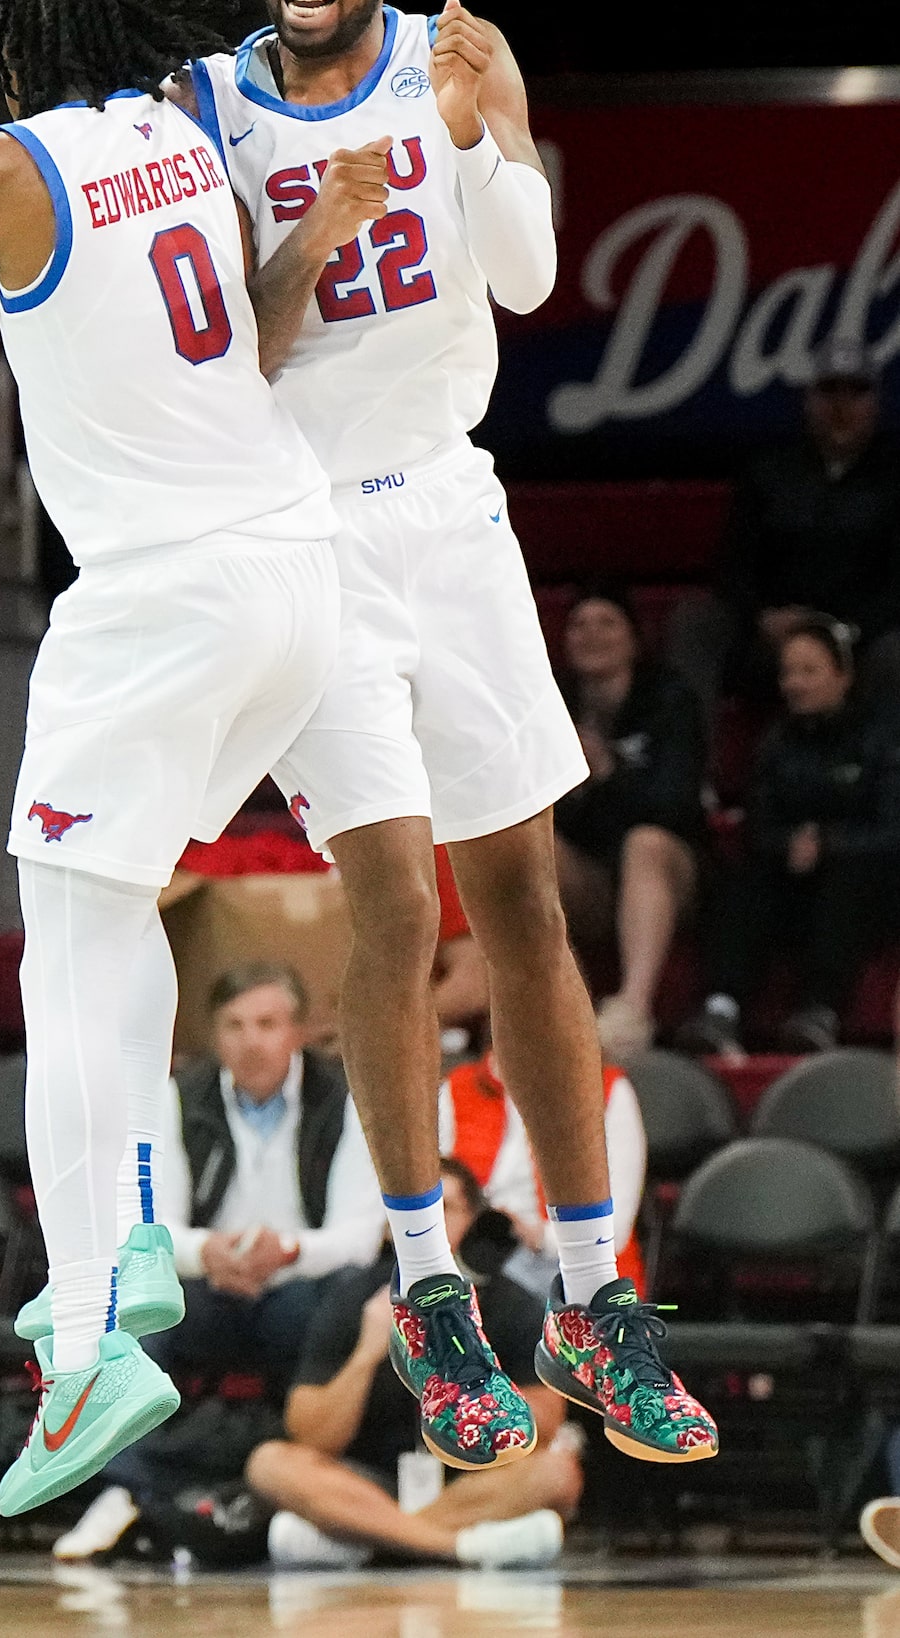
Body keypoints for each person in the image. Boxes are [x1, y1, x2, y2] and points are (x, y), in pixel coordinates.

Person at [181, 0, 717, 1467]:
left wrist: (506, 139)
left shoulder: (449, 59)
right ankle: (424, 1291)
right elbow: (228, 357)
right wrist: (315, 230)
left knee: (527, 908)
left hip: (455, 511)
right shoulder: (207, 108)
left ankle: (591, 1289)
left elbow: (534, 274)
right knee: (394, 897)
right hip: (306, 528)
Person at [0, 0, 363, 1517]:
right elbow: (247, 342)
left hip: (158, 601)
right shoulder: (178, 142)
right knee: (109, 904)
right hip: (291, 575)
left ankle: (93, 1326)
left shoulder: (6, 163)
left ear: (6, 60)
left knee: (71, 938)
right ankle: (116, 1260)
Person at [244, 1159, 578, 1568]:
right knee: (270, 1463)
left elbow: (538, 1431)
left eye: (445, 1211)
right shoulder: (355, 1299)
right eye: (414, 1215)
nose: (430, 1228)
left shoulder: (514, 1306)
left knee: (557, 1473)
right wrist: (368, 1351)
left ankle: (368, 1541)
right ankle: (453, 1547)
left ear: (473, 1221)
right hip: (365, 1483)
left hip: (472, 1486)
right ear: (391, 1227)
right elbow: (310, 1435)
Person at [150, 962, 383, 1389]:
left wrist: (288, 1251)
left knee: (348, 1296)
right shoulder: (178, 1098)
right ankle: (141, 1452)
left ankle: (305, 1439)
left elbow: (359, 1239)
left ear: (298, 1032)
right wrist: (205, 1251)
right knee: (141, 1300)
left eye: (267, 1024)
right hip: (209, 1280)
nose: (251, 1042)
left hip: (304, 1280)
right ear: (214, 1036)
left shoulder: (346, 1102)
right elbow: (153, 1226)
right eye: (234, 1026)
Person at [678, 617, 900, 1056]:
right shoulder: (776, 740)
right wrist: (791, 845)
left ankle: (819, 1010)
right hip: (791, 876)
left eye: (809, 671)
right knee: (742, 881)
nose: (795, 683)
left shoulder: (883, 736)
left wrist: (830, 843)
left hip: (866, 881)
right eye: (788, 673)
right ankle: (721, 1006)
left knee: (848, 881)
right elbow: (759, 825)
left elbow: (892, 829)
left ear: (843, 675)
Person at [670, 343, 900, 723]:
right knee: (697, 620)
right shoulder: (770, 472)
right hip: (773, 640)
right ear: (808, 399)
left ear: (875, 401)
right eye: (829, 391)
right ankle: (686, 773)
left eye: (855, 391)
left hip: (858, 644)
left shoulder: (894, 476)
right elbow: (734, 564)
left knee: (895, 653)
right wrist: (763, 617)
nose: (841, 406)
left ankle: (887, 776)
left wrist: (838, 629)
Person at [553, 589, 706, 1062]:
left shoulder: (671, 701)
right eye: (579, 624)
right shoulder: (550, 704)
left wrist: (608, 774)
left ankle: (632, 1008)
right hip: (593, 877)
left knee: (646, 843)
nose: (592, 634)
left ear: (635, 640)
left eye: (607, 622)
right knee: (526, 845)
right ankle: (560, 1005)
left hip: (669, 873)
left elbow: (674, 806)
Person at [440, 1047, 648, 1298]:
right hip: (475, 1258)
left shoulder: (606, 1090)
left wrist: (538, 1236)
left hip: (567, 1265)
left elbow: (615, 1231)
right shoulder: (457, 1087)